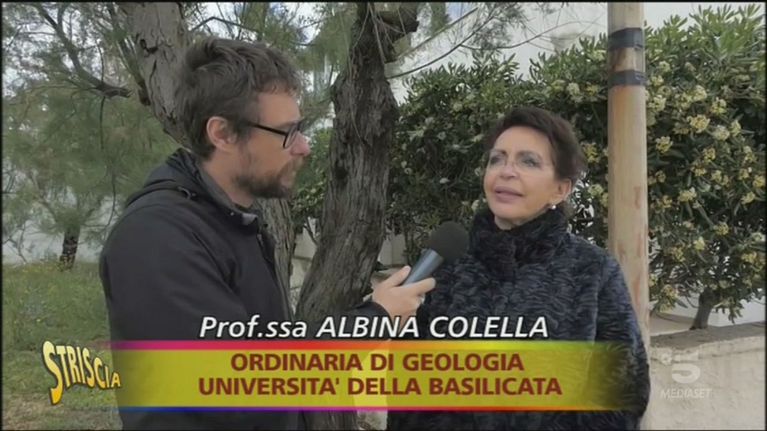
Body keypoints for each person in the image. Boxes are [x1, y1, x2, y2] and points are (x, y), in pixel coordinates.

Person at [99, 37, 434, 430]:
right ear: (223, 134)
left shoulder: (234, 222)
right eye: (287, 132)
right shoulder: (157, 239)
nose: (304, 147)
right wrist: (372, 320)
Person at [387, 106, 650, 430]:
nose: (506, 171)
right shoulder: (448, 262)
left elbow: (622, 394)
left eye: (528, 162)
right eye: (497, 159)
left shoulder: (593, 270)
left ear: (561, 189)